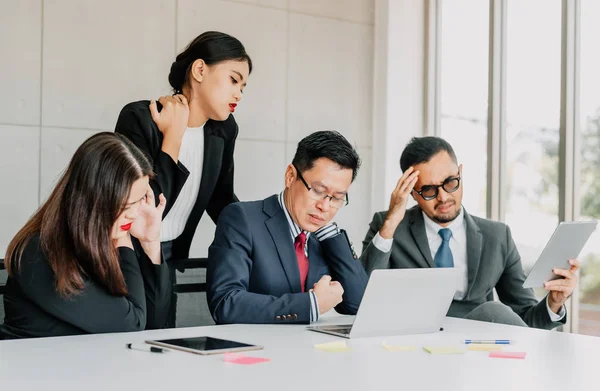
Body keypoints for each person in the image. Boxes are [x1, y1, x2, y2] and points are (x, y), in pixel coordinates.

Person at [360, 136, 579, 329]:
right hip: (412, 341)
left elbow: (526, 320)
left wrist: (554, 303)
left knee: (495, 312)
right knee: (495, 311)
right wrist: (390, 223)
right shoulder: (388, 225)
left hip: (477, 347)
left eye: (450, 183)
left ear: (460, 174)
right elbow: (361, 296)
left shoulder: (497, 236)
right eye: (428, 190)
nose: (443, 197)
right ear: (413, 193)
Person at [115, 31, 252, 326]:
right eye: (233, 79)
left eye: (243, 86)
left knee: (161, 341)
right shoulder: (140, 118)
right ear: (200, 70)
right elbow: (144, 204)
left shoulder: (224, 131)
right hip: (126, 256)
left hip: (172, 256)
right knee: (129, 340)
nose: (239, 94)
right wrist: (173, 137)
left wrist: (257, 236)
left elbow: (221, 199)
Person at [0, 132, 170, 339]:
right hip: (34, 368)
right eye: (127, 204)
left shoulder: (105, 242)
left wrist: (150, 243)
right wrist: (124, 242)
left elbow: (154, 322)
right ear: (94, 199)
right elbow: (130, 326)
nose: (134, 213)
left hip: (86, 366)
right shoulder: (39, 252)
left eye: (139, 201)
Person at [207, 131, 368, 324]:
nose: (325, 206)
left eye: (337, 198)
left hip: (307, 350)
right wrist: (310, 304)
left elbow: (358, 304)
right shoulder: (242, 219)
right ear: (290, 176)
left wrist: (330, 234)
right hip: (257, 349)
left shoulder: (322, 237)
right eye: (318, 191)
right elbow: (225, 303)